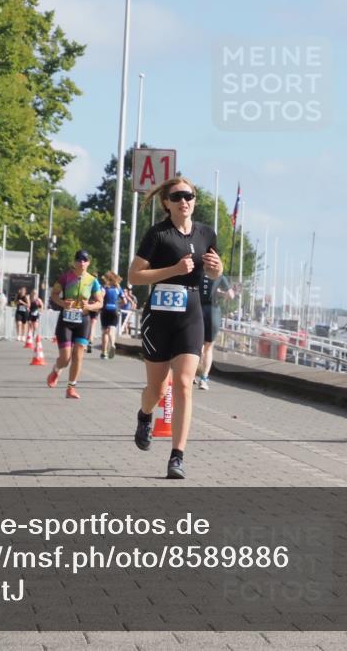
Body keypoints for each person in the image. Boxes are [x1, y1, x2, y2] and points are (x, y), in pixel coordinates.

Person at [128, 177, 222, 480]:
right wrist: (173, 270)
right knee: (157, 388)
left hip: (190, 314)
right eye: (178, 196)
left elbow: (214, 273)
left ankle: (177, 457)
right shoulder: (157, 234)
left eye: (190, 195)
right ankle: (145, 416)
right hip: (158, 316)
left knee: (183, 383)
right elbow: (135, 276)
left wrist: (217, 271)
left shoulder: (207, 234)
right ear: (166, 202)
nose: (185, 201)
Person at [46, 250, 103, 399]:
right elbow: (53, 295)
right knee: (65, 358)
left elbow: (100, 302)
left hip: (82, 321)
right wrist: (62, 303)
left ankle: (71, 387)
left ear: (88, 263)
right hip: (66, 321)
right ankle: (57, 370)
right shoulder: (65, 277)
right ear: (74, 262)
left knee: (78, 355)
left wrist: (89, 307)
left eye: (85, 260)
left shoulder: (92, 281)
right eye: (79, 260)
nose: (82, 263)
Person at [196, 273, 234, 390]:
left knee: (196, 345)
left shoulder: (198, 272)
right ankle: (204, 379)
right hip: (213, 312)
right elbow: (230, 295)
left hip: (198, 309)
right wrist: (219, 293)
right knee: (208, 347)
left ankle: (191, 374)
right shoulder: (220, 276)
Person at [99, 271, 125, 359]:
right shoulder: (118, 288)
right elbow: (124, 301)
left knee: (105, 332)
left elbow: (101, 297)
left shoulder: (104, 287)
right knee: (112, 331)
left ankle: (104, 352)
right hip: (114, 310)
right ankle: (113, 344)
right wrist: (118, 305)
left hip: (105, 310)